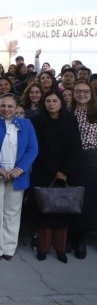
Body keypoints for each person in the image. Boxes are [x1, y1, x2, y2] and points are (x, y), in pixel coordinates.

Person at [0, 93, 39, 260]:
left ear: (16, 108)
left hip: (17, 174)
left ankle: (8, 248)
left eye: (10, 106)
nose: (6, 109)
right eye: (3, 106)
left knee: (12, 211)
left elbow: (33, 149)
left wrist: (20, 169)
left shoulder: (26, 124)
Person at [30, 89, 80, 263]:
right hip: (44, 171)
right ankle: (43, 249)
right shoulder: (37, 121)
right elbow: (37, 148)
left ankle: (60, 249)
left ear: (61, 103)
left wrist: (65, 171)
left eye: (54, 101)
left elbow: (76, 148)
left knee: (62, 211)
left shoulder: (71, 121)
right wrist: (54, 170)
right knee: (44, 211)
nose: (51, 104)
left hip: (66, 173)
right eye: (48, 101)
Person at [71, 80, 97, 259]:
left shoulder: (95, 112)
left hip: (91, 160)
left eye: (86, 91)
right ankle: (70, 236)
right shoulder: (68, 112)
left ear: (91, 93)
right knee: (71, 198)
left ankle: (81, 239)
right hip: (71, 160)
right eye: (78, 91)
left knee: (87, 201)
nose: (82, 94)